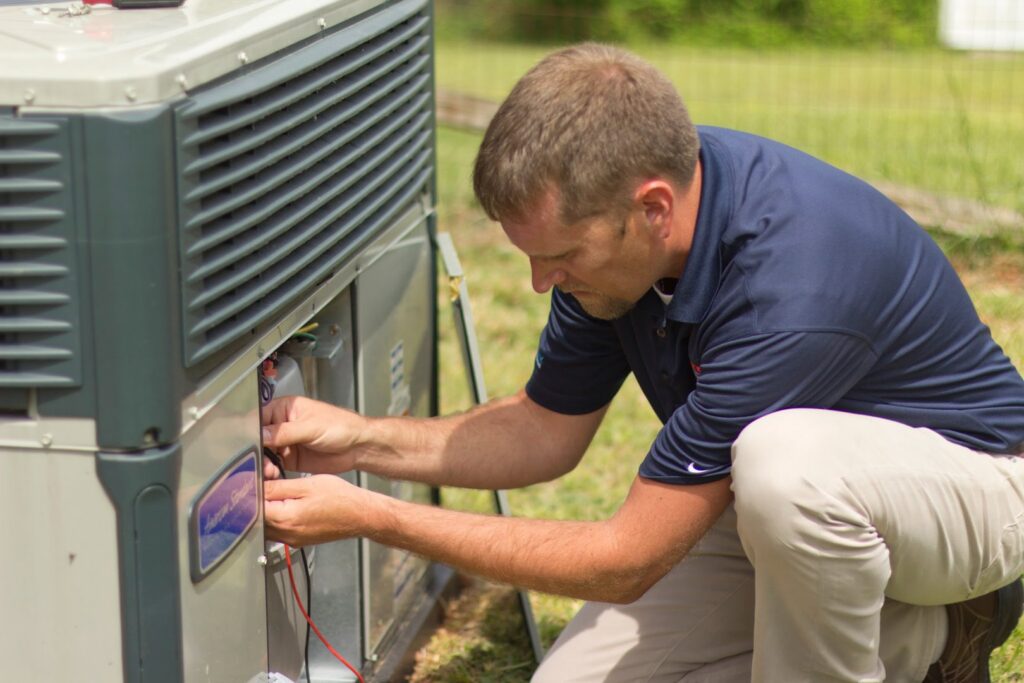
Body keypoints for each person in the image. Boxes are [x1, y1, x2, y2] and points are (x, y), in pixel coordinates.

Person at [262, 43, 1024, 682]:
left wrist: (375, 515)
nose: (539, 282)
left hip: (970, 492)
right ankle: (872, 631)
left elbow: (628, 558)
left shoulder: (789, 282)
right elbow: (542, 431)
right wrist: (359, 439)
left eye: (558, 256)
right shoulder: (619, 242)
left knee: (785, 461)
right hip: (790, 513)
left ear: (653, 207)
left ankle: (935, 637)